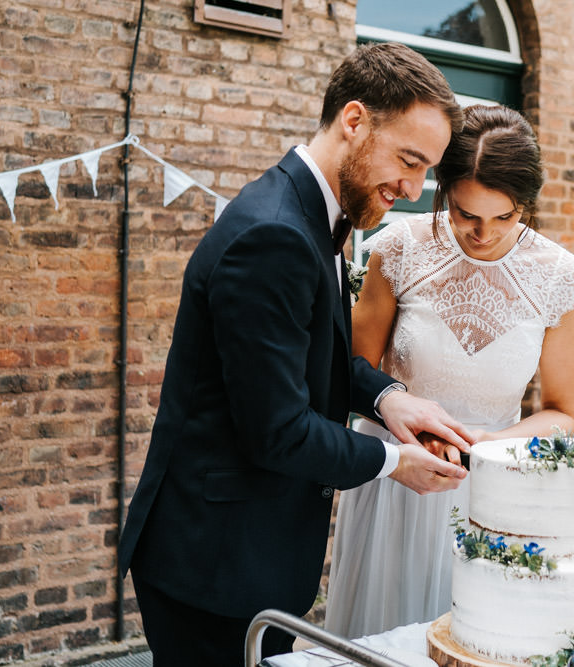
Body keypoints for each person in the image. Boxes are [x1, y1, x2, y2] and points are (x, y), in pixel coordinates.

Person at [117, 42, 476, 666]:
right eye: (409, 161)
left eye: (428, 172)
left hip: (250, 555)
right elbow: (278, 431)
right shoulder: (275, 235)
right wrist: (395, 462)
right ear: (355, 121)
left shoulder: (319, 216)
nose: (416, 189)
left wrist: (391, 399)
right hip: (214, 563)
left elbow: (314, 359)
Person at [324, 104, 574, 638]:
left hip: (490, 492)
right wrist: (404, 420)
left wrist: (491, 441)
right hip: (393, 485)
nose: (483, 234)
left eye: (505, 216)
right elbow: (351, 370)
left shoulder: (560, 279)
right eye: (466, 214)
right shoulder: (400, 249)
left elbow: (565, 413)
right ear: (443, 190)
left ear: (526, 205)